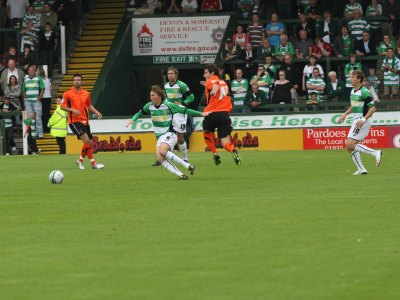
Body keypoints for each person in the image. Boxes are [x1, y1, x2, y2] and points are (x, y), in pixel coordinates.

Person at [128, 85, 210, 180]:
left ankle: (187, 165)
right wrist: (133, 120)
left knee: (162, 151)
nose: (150, 97)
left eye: (152, 95)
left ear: (159, 96)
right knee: (159, 158)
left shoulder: (169, 106)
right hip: (159, 137)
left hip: (170, 134)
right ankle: (180, 174)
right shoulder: (149, 106)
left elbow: (185, 110)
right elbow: (140, 112)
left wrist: (201, 113)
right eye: (150, 95)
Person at [338, 70, 382, 175]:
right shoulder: (353, 91)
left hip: (363, 120)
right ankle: (361, 169)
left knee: (349, 144)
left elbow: (373, 108)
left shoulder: (365, 92)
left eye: (353, 77)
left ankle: (375, 153)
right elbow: (354, 107)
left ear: (358, 79)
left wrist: (363, 120)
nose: (351, 79)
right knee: (349, 147)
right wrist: (344, 115)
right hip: (356, 120)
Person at [61, 73, 104, 169]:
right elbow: (62, 106)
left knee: (88, 142)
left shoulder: (86, 93)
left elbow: (89, 105)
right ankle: (93, 163)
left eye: (78, 80)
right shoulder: (67, 94)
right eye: (75, 80)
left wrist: (97, 112)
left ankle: (80, 160)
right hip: (74, 121)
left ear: (82, 81)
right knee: (87, 141)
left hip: (85, 121)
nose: (77, 81)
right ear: (73, 81)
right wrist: (72, 110)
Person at [200, 64, 241, 166]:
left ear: (212, 73)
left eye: (206, 73)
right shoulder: (224, 82)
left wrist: (213, 90)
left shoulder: (212, 80)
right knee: (225, 141)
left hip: (212, 113)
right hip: (224, 114)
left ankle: (215, 154)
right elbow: (218, 87)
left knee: (206, 132)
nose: (204, 75)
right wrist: (207, 87)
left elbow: (215, 84)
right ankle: (233, 150)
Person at [163, 66, 195, 164]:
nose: (170, 75)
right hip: (169, 112)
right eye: (168, 74)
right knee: (166, 133)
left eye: (172, 73)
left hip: (179, 113)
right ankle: (164, 155)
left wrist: (183, 103)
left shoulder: (182, 85)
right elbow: (165, 98)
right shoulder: (166, 86)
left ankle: (185, 157)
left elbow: (191, 97)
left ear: (176, 75)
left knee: (180, 136)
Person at [22, 65, 45, 138]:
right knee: (29, 118)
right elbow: (23, 90)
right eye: (30, 70)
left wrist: (39, 98)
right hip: (28, 102)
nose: (31, 71)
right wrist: (25, 98)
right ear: (28, 71)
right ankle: (32, 133)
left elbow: (43, 89)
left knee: (38, 117)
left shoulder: (39, 79)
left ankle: (40, 133)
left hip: (36, 101)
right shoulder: (25, 80)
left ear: (35, 71)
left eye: (32, 70)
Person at [37, 65, 52, 132]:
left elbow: (40, 89)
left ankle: (44, 128)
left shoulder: (38, 79)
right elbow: (50, 88)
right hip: (48, 97)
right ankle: (48, 128)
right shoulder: (47, 79)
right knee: (47, 113)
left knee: (42, 113)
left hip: (42, 97)